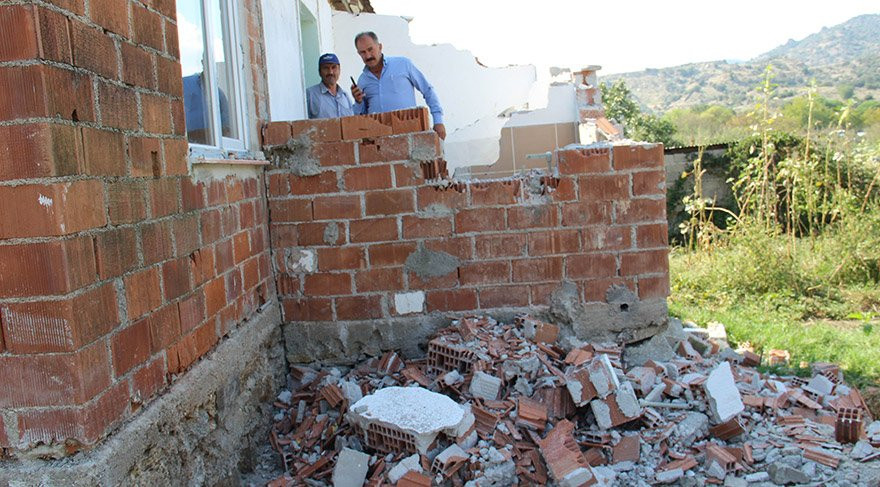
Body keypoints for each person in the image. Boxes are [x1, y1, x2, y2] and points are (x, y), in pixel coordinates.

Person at [350, 32, 446, 139]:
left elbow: (427, 90)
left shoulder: (403, 64)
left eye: (370, 49)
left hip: (410, 134)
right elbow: (361, 116)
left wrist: (438, 121)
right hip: (379, 141)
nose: (368, 55)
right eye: (363, 52)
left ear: (380, 47)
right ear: (358, 53)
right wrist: (358, 102)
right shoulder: (362, 80)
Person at [306, 53, 355, 119]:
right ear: (319, 72)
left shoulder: (345, 96)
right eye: (326, 68)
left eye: (334, 67)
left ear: (339, 70)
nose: (330, 72)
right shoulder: (310, 95)